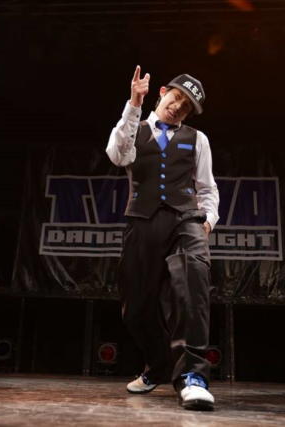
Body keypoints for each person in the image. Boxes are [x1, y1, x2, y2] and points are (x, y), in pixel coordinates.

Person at [106, 66, 219, 410]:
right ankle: (158, 365)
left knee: (193, 287)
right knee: (136, 308)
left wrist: (208, 221)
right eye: (177, 98)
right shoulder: (134, 128)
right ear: (163, 92)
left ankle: (193, 377)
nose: (178, 107)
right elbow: (117, 155)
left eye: (186, 107)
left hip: (186, 221)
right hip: (142, 222)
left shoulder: (198, 139)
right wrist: (133, 104)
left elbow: (207, 187)